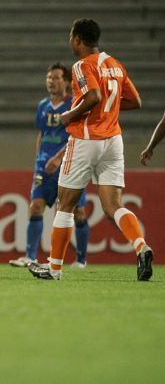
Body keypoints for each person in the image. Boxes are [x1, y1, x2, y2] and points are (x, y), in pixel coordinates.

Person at [29, 19, 152, 281]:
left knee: (65, 204)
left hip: (86, 139)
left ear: (77, 39)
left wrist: (70, 114)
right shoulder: (115, 64)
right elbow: (135, 101)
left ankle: (54, 268)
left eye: (70, 37)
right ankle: (141, 246)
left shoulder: (82, 65)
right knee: (113, 205)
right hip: (113, 140)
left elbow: (94, 96)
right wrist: (109, 110)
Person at [9, 63, 90, 269]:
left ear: (67, 82)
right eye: (49, 78)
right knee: (36, 207)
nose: (51, 81)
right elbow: (42, 133)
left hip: (69, 165)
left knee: (77, 212)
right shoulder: (43, 105)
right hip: (44, 168)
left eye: (56, 78)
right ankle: (30, 257)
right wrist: (39, 159)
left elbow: (78, 136)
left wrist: (58, 158)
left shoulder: (74, 105)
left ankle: (81, 260)